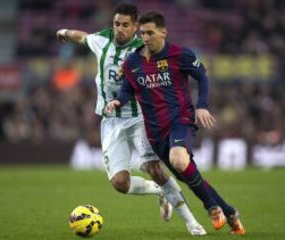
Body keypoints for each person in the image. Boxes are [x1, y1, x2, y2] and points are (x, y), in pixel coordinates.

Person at [56, 2, 207, 236]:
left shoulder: (145, 48)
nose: (120, 29)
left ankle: (191, 222)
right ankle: (159, 192)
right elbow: (82, 36)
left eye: (126, 25)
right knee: (120, 183)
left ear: (136, 27)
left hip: (139, 118)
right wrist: (64, 32)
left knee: (154, 168)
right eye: (117, 24)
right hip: (110, 121)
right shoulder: (101, 41)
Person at [105, 11, 246, 236]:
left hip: (180, 120)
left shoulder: (179, 54)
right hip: (154, 131)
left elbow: (202, 76)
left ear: (163, 32)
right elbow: (127, 90)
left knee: (178, 160)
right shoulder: (133, 61)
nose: (146, 37)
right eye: (142, 33)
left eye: (150, 32)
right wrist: (117, 101)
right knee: (187, 175)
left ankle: (211, 207)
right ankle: (230, 213)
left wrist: (202, 105)